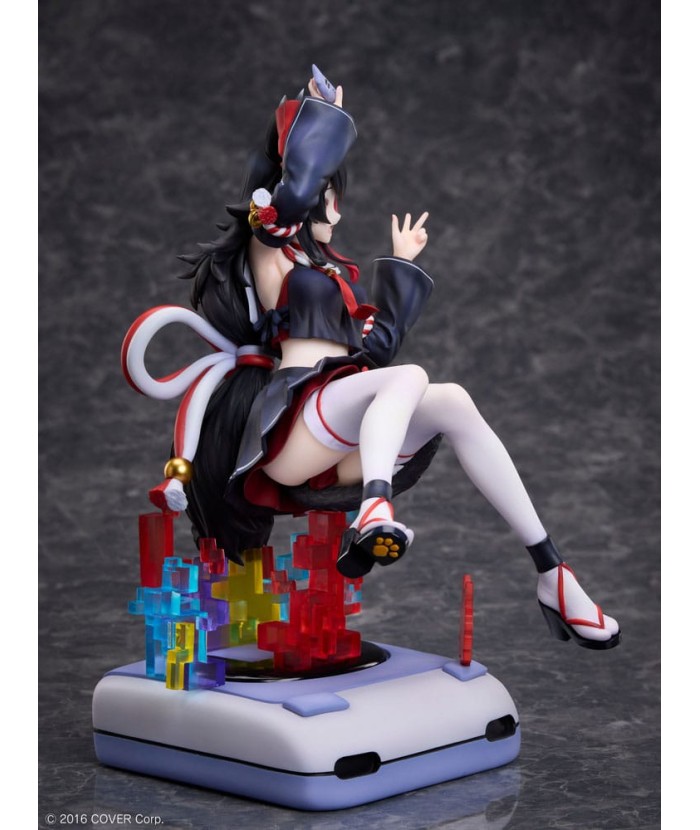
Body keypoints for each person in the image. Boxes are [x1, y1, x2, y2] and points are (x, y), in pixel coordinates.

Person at [122, 70, 620, 650]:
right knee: (409, 378)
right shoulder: (269, 248)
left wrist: (402, 265)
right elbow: (291, 194)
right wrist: (315, 119)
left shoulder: (335, 273)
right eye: (327, 191)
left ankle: (552, 572)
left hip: (344, 422)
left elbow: (375, 350)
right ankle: (373, 508)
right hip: (292, 420)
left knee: (453, 400)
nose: (335, 206)